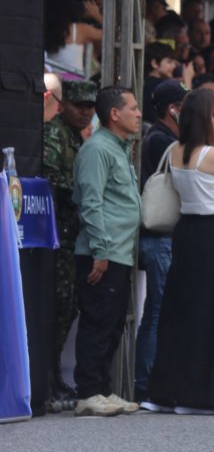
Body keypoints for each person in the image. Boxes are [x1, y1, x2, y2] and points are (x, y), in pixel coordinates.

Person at [143, 88, 214, 415]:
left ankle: (164, 393)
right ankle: (203, 396)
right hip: (213, 234)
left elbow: (203, 173)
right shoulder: (212, 155)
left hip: (187, 233)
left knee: (180, 311)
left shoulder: (176, 149)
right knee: (213, 313)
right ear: (207, 118)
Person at [71, 86, 143, 417]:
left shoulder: (118, 147)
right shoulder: (97, 149)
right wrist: (100, 248)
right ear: (114, 114)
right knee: (97, 321)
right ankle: (87, 391)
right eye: (133, 108)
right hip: (102, 252)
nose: (139, 114)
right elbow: (91, 202)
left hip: (118, 252)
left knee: (112, 324)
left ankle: (101, 388)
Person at [42, 79, 96, 411]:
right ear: (64, 106)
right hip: (56, 236)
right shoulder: (55, 134)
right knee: (58, 308)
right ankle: (46, 379)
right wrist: (82, 190)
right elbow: (48, 178)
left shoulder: (77, 137)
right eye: (80, 106)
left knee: (68, 308)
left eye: (91, 107)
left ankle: (53, 376)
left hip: (70, 236)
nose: (86, 112)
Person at [135, 79, 187, 401]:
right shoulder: (160, 140)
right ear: (172, 109)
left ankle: (151, 381)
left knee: (159, 310)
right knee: (157, 312)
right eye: (185, 106)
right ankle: (147, 383)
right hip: (159, 236)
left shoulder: (164, 138)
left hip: (164, 238)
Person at [143, 42, 179, 123]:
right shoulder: (164, 85)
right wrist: (188, 78)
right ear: (154, 63)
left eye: (174, 62)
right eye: (169, 62)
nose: (174, 66)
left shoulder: (145, 81)